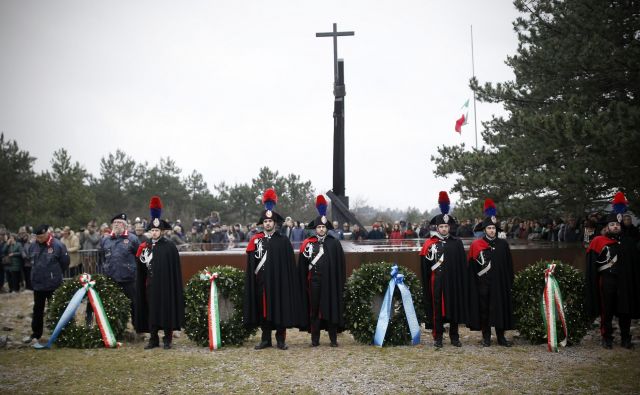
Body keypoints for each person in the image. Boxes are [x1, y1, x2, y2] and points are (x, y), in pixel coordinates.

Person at [243, 188, 303, 350]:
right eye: (265, 222)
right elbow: (251, 264)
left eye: (270, 221)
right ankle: (265, 339)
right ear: (262, 223)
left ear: (275, 223)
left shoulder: (283, 241)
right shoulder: (255, 240)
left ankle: (280, 340)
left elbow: (288, 266)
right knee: (263, 310)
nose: (268, 223)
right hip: (261, 283)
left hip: (279, 283)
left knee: (279, 309)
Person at [585, 192, 640, 349]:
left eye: (617, 225)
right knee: (607, 311)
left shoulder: (628, 243)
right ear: (607, 227)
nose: (615, 227)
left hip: (625, 281)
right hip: (607, 281)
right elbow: (592, 266)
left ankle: (625, 338)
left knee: (625, 311)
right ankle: (607, 337)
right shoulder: (599, 242)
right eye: (612, 225)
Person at [419, 191, 469, 348]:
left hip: (453, 282)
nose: (444, 229)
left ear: (449, 227)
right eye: (441, 226)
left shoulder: (457, 243)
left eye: (446, 226)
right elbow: (424, 267)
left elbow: (462, 266)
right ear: (437, 227)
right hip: (437, 282)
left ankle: (454, 336)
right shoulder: (429, 244)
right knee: (437, 310)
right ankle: (438, 336)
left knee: (453, 307)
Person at [135, 196, 184, 350]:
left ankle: (167, 339)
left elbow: (174, 269)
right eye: (152, 230)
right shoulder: (145, 246)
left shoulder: (169, 247)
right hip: (150, 285)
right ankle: (153, 338)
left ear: (162, 231)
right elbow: (141, 266)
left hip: (166, 286)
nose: (154, 233)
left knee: (166, 310)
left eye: (157, 230)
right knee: (151, 311)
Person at [298, 195, 346, 347]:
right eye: (319, 227)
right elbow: (302, 265)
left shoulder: (334, 243)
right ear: (315, 228)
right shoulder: (308, 243)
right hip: (314, 281)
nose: (321, 229)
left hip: (330, 282)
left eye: (323, 227)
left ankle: (333, 338)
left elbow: (340, 266)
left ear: (327, 228)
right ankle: (315, 338)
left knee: (330, 307)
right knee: (314, 309)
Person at [467, 199, 514, 347]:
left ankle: (501, 337)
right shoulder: (477, 245)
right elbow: (472, 267)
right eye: (489, 228)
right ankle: (486, 337)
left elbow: (508, 265)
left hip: (499, 284)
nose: (492, 231)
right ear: (484, 230)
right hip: (483, 284)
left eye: (494, 228)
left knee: (499, 309)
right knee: (484, 310)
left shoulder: (503, 245)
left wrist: (509, 282)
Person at [23, 225, 69, 344]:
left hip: (53, 284)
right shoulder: (33, 245)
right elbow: (31, 260)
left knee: (56, 310)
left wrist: (54, 274)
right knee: (37, 310)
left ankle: (59, 334)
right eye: (37, 237)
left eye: (41, 236)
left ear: (47, 233)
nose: (39, 239)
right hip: (38, 284)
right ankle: (36, 334)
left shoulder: (58, 245)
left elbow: (65, 263)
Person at [99, 213, 140, 327]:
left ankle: (137, 328)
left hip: (129, 278)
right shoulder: (105, 240)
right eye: (115, 223)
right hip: (111, 278)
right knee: (113, 305)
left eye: (119, 223)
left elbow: (140, 257)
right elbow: (101, 257)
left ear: (125, 225)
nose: (117, 225)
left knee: (134, 305)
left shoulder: (132, 239)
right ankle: (117, 328)